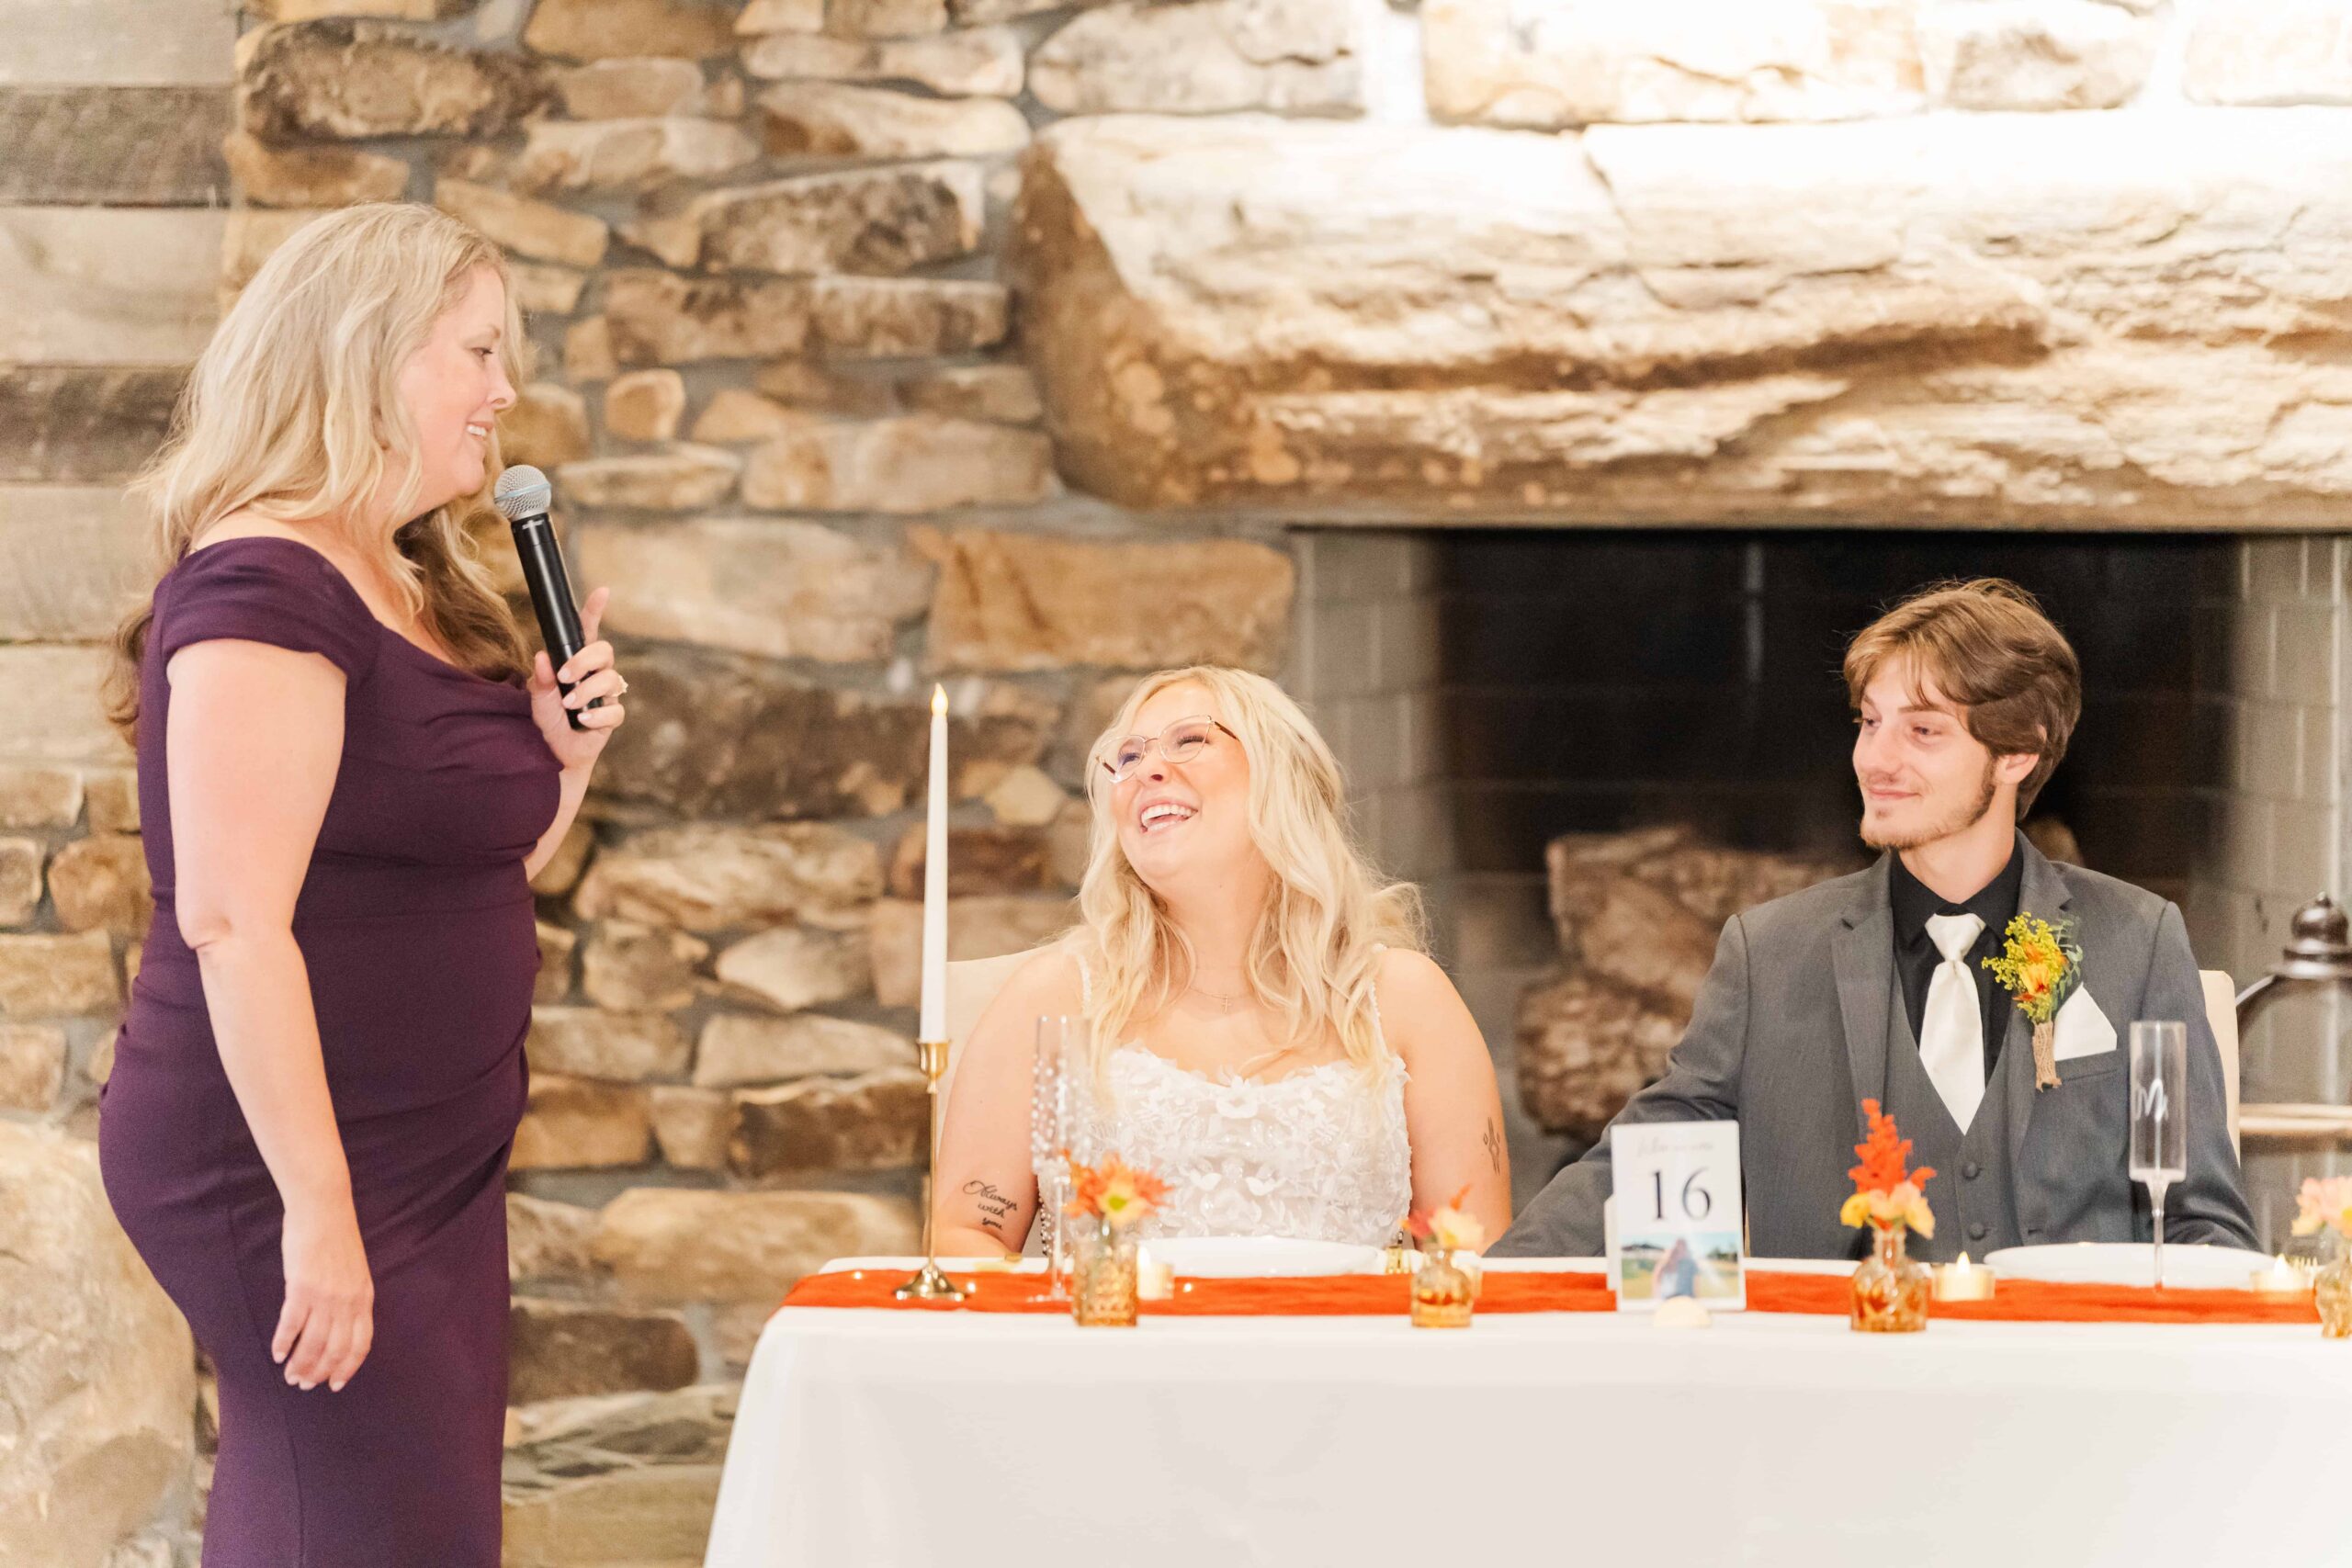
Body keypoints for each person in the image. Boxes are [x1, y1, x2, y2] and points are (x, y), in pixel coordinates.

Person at [96, 203, 629, 1566]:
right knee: (349, 1516)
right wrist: (318, 1213)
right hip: (289, 1154)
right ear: (368, 357)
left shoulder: (401, 577)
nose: (504, 391)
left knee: (401, 1520)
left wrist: (564, 757)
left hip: (427, 1155)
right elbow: (230, 916)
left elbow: (477, 876)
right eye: (479, 350)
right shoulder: (263, 582)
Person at [1495, 579, 2255, 1261]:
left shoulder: (2136, 939)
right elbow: (1641, 1160)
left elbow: (2204, 1225)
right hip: (1843, 1390)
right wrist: (1484, 1283)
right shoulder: (1770, 953)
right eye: (1869, 722)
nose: (1875, 759)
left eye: (1922, 731)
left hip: (2067, 1391)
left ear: (2017, 754)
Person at [933, 666, 1511, 1255]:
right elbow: (965, 1234)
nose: (1149, 770)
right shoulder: (1052, 997)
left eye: (1191, 740)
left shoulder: (1404, 1000)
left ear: (1282, 777)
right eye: (1127, 758)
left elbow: (1476, 1255)